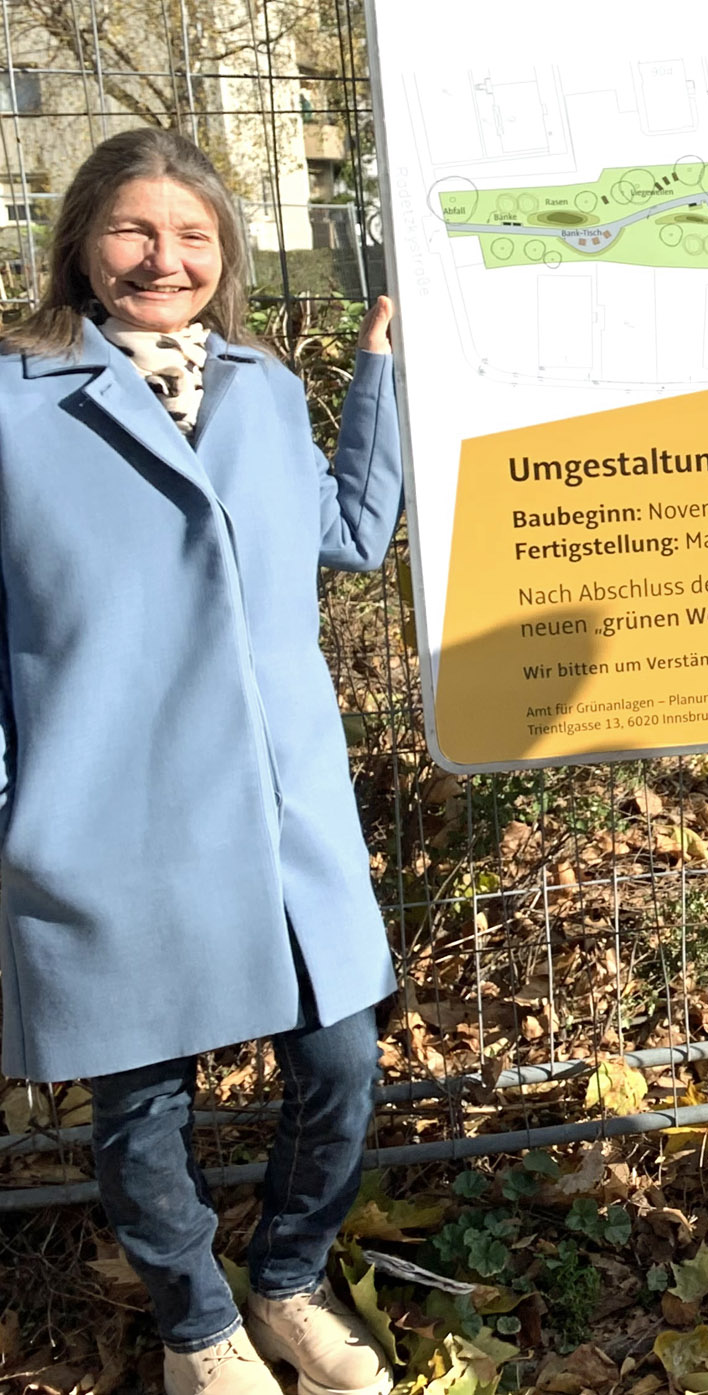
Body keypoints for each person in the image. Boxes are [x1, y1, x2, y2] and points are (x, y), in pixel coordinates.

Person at [0, 130, 404, 1395]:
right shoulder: (14, 399)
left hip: (284, 809)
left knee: (342, 1059)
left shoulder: (263, 388)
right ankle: (195, 1330)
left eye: (192, 236)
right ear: (80, 242)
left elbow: (347, 535)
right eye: (133, 230)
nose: (162, 258)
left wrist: (377, 379)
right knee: (143, 1102)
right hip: (105, 811)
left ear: (221, 258)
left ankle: (286, 1283)